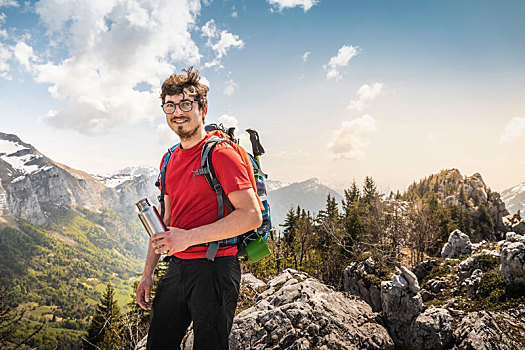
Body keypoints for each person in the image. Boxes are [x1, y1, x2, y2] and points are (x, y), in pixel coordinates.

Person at [135, 67, 262, 349]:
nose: (177, 112)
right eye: (170, 105)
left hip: (216, 268)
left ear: (202, 109)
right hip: (177, 267)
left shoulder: (221, 154)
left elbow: (252, 215)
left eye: (185, 104)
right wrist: (147, 274)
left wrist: (187, 238)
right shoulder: (168, 159)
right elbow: (164, 220)